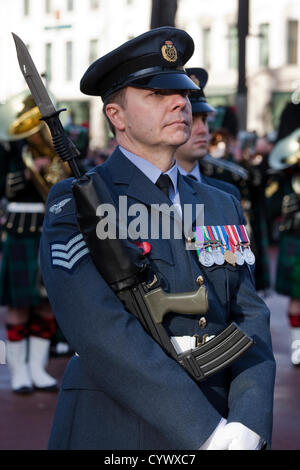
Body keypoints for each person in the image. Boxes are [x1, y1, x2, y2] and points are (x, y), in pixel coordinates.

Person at [40, 27, 275, 450]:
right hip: (117, 425)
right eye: (156, 94)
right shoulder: (78, 201)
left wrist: (247, 422)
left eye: (182, 92)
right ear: (117, 116)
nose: (180, 102)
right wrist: (205, 431)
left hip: (227, 421)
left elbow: (251, 318)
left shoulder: (221, 201)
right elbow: (98, 329)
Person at [0, 93, 67, 393]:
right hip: (19, 229)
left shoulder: (52, 144)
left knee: (44, 304)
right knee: (18, 305)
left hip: (46, 227)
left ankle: (38, 369)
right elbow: (5, 185)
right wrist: (28, 171)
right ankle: (19, 372)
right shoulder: (9, 149)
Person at [174, 67, 241, 200]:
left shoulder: (227, 194)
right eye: (191, 119)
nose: (203, 130)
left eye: (204, 120)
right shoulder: (151, 192)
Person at [269, 102, 300, 365]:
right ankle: (297, 345)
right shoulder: (287, 176)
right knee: (296, 298)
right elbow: (270, 207)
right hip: (296, 239)